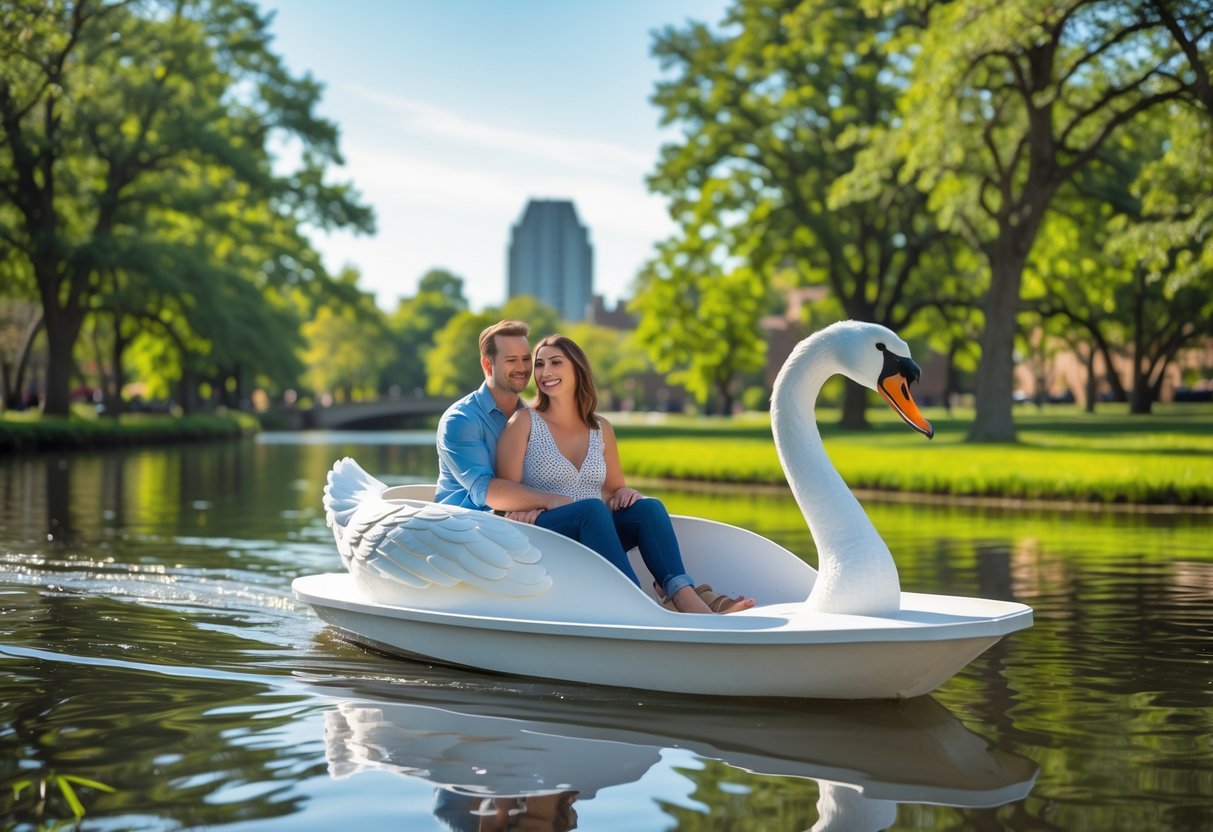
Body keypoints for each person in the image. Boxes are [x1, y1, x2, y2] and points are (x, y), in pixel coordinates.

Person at [496, 334, 753, 615]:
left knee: (649, 508)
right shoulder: (524, 422)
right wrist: (548, 501)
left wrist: (624, 494)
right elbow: (504, 492)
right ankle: (637, 604)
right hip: (547, 534)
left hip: (595, 533)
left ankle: (682, 597)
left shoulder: (601, 427)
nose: (546, 373)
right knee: (591, 510)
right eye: (540, 365)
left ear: (577, 370)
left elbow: (616, 489)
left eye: (556, 363)